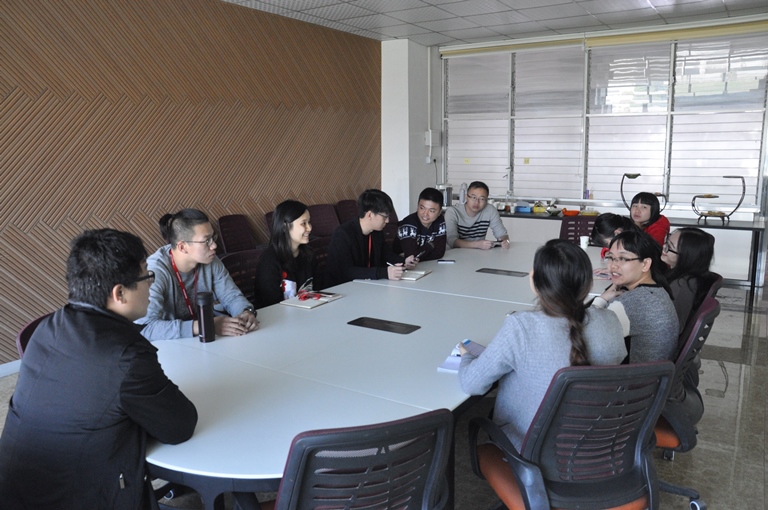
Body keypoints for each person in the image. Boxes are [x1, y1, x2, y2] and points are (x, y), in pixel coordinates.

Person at [0, 229, 198, 509]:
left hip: (14, 490)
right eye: (147, 276)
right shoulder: (126, 354)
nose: (151, 286)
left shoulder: (48, 327)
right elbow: (179, 426)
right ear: (120, 293)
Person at [458, 239, 627, 450]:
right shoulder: (610, 321)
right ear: (588, 284)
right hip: (597, 442)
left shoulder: (522, 327)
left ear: (534, 280)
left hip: (532, 449)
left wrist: (467, 356)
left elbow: (472, 384)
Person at [136, 208, 259, 340]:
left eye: (213, 238)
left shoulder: (210, 259)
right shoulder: (155, 272)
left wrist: (245, 312)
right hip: (171, 343)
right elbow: (145, 328)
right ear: (182, 247)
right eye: (206, 241)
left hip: (206, 339)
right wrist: (206, 325)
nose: (214, 246)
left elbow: (231, 296)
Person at [591, 230, 679, 364]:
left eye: (623, 259)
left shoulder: (630, 303)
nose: (613, 265)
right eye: (611, 257)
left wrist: (600, 300)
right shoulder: (658, 290)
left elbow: (588, 339)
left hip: (634, 376)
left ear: (645, 264)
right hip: (657, 373)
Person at [326, 189, 417, 286]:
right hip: (344, 287)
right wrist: (384, 273)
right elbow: (346, 271)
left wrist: (404, 262)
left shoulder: (376, 232)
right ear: (370, 215)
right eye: (384, 217)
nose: (387, 221)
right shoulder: (343, 234)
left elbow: (386, 254)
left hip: (368, 284)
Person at [254, 200, 316, 308]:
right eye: (303, 223)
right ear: (285, 226)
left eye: (309, 222)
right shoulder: (269, 261)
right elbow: (270, 305)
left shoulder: (308, 255)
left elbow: (319, 290)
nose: (309, 228)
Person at [662, 227, 718, 333]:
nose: (664, 248)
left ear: (687, 256)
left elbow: (672, 326)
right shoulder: (690, 277)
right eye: (666, 243)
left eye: (669, 247)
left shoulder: (682, 285)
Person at [444, 181, 509, 250]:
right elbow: (451, 241)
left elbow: (502, 235)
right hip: (455, 253)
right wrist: (477, 245)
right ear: (466, 197)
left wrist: (505, 241)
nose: (476, 202)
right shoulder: (453, 212)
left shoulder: (490, 210)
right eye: (473, 197)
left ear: (486, 200)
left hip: (478, 254)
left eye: (482, 199)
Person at [396, 187, 447, 261]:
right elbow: (411, 257)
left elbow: (439, 253)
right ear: (417, 206)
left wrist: (418, 254)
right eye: (422, 208)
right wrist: (430, 246)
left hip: (426, 265)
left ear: (439, 212)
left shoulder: (440, 221)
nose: (425, 214)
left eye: (431, 211)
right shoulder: (408, 224)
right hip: (401, 266)